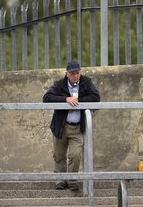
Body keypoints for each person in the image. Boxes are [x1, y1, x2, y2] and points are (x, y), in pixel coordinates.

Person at [42, 60, 100, 191]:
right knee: (59, 155)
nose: (75, 76)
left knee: (75, 154)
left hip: (77, 127)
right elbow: (47, 98)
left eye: (77, 73)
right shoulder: (59, 84)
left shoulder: (86, 82)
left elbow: (95, 97)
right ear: (67, 74)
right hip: (61, 126)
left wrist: (77, 102)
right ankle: (60, 180)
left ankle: (73, 180)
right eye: (73, 73)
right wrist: (66, 100)